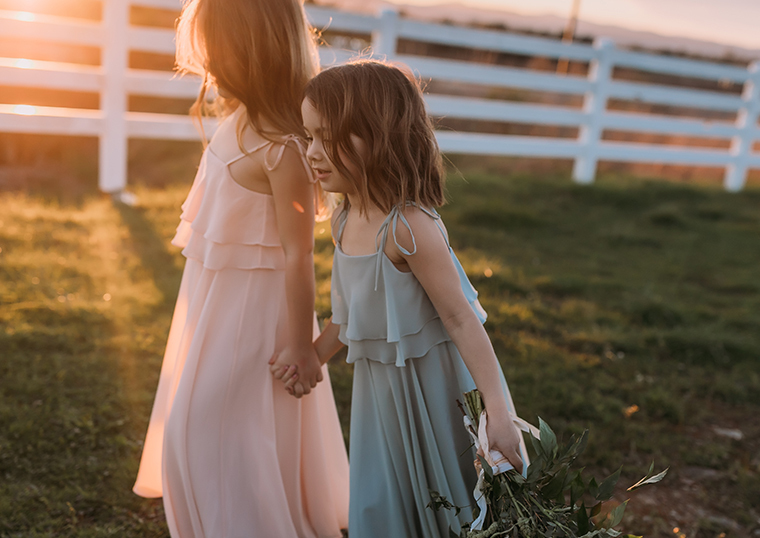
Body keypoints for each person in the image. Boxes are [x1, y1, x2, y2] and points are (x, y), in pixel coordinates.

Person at [279, 59, 525, 538]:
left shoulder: (411, 227)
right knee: (383, 502)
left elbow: (460, 319)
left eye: (327, 137)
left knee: (448, 502)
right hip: (380, 401)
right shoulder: (345, 221)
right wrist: (310, 358)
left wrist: (499, 411)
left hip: (434, 395)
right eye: (308, 136)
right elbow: (348, 317)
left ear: (379, 135)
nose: (312, 152)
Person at [132, 0, 349, 536]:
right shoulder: (237, 120)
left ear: (250, 52)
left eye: (217, 53)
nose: (210, 67)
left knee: (218, 428)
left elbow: (299, 254)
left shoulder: (285, 150)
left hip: (254, 319)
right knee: (195, 425)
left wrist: (302, 344)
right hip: (211, 307)